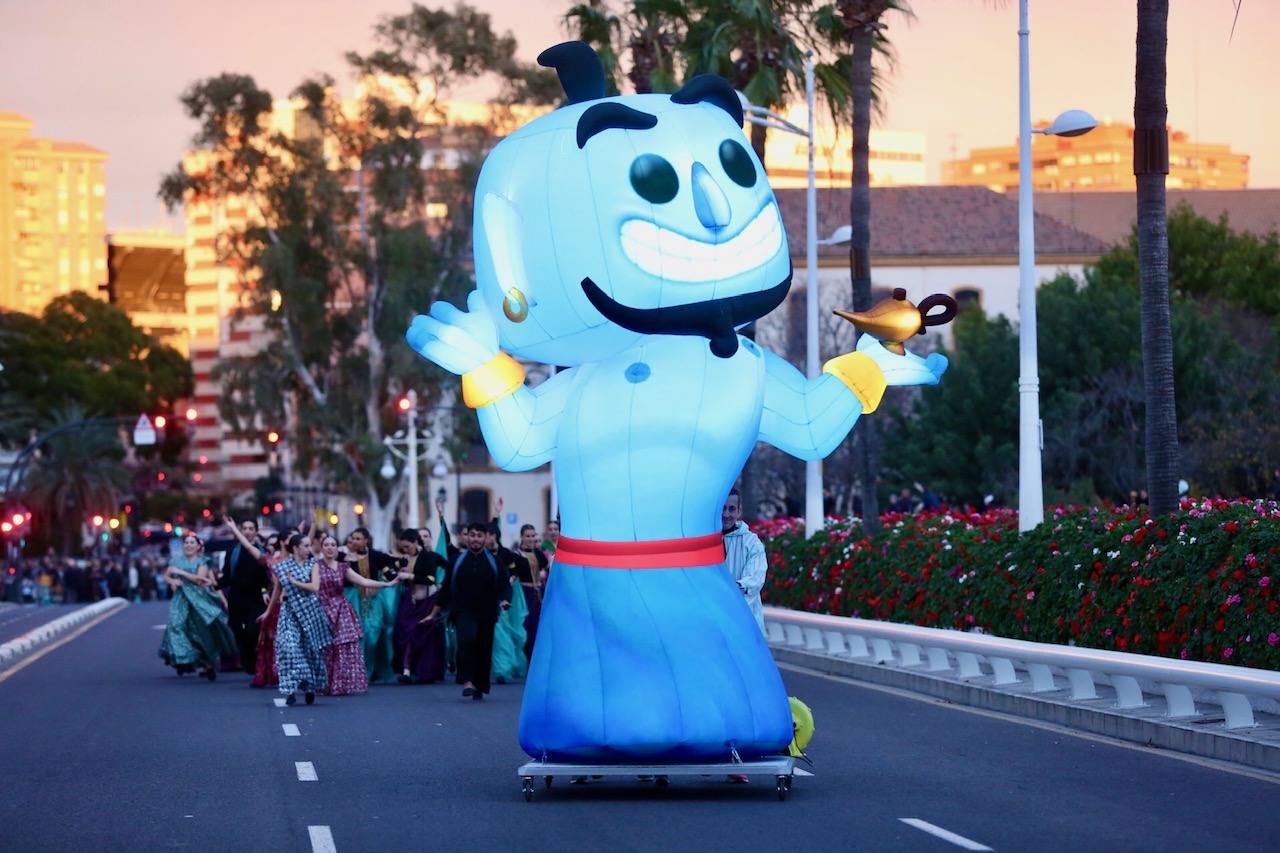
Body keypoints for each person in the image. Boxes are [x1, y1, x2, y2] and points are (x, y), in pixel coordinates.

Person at [421, 522, 511, 701]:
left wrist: (506, 600)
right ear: (466, 537)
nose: (475, 539)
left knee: (483, 648)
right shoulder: (456, 560)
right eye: (472, 535)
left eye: (479, 535)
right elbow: (446, 589)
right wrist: (433, 613)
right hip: (463, 611)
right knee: (466, 641)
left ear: (485, 538)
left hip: (487, 613)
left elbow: (505, 586)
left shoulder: (495, 562)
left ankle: (479, 685)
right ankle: (467, 681)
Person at [314, 533, 404, 696]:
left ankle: (340, 683)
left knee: (343, 646)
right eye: (326, 545)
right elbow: (309, 587)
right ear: (322, 547)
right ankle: (323, 682)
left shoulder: (343, 567)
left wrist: (387, 583)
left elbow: (363, 581)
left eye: (333, 545)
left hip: (341, 610)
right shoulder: (314, 566)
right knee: (324, 648)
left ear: (337, 548)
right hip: (321, 610)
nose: (330, 548)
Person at [158, 533, 237, 681]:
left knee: (199, 633)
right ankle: (183, 660)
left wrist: (180, 573)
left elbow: (199, 580)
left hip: (198, 600)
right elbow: (167, 575)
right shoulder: (176, 560)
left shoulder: (202, 562)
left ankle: (206, 663)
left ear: (198, 547)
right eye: (186, 543)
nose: (188, 545)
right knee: (176, 626)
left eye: (191, 543)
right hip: (180, 599)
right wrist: (172, 581)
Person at [272, 532, 334, 705]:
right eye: (305, 546)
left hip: (310, 613)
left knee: (311, 651)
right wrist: (268, 611)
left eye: (309, 545)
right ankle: (290, 689)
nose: (309, 549)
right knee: (289, 648)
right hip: (289, 612)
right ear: (295, 548)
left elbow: (314, 586)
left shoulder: (313, 564)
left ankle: (310, 687)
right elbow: (277, 590)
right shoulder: (283, 566)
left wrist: (294, 582)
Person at [205, 516, 271, 675]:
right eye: (245, 529)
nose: (247, 532)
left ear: (256, 532)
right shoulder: (232, 552)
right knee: (238, 633)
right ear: (241, 531)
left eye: (251, 529)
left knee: (252, 630)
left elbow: (269, 577)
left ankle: (254, 659)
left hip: (256, 598)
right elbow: (227, 576)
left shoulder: (261, 552)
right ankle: (247, 662)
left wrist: (266, 591)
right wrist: (213, 585)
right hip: (236, 598)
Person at [341, 527, 405, 684]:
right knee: (357, 638)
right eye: (353, 538)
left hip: (374, 603)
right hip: (353, 603)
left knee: (372, 638)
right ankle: (359, 674)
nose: (354, 542)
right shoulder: (343, 558)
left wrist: (401, 567)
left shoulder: (375, 555)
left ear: (365, 540)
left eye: (358, 539)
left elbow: (397, 562)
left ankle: (370, 670)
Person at [392, 529, 448, 685]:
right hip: (410, 601)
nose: (405, 550)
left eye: (407, 546)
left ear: (416, 542)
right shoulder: (406, 558)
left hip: (427, 600)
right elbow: (391, 568)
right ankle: (406, 669)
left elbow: (430, 578)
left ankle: (421, 671)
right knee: (404, 631)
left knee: (423, 634)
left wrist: (442, 585)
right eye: (403, 547)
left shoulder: (428, 557)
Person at [722, 489, 767, 636]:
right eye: (722, 508)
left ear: (739, 511)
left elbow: (754, 579)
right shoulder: (706, 541)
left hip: (746, 625)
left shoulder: (752, 543)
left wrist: (729, 592)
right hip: (716, 625)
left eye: (731, 509)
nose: (726, 514)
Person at [487, 522, 528, 683]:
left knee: (502, 633)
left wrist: (510, 579)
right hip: (487, 597)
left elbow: (513, 572)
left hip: (503, 598)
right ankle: (497, 667)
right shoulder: (482, 554)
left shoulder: (505, 554)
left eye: (491, 534)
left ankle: (503, 669)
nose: (488, 538)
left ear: (496, 536)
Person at [251, 534, 286, 689]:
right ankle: (271, 672)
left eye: (274, 543)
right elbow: (262, 581)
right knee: (271, 637)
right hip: (274, 600)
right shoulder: (268, 561)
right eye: (269, 544)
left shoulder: (291, 559)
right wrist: (264, 591)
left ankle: (284, 671)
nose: (271, 547)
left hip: (289, 601)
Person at [515, 523, 548, 661]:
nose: (531, 538)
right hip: (524, 594)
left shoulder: (540, 555)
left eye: (533, 535)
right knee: (526, 627)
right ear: (522, 537)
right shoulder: (516, 555)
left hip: (539, 594)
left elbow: (548, 571)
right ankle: (526, 658)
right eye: (527, 536)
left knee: (538, 627)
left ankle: (535, 660)